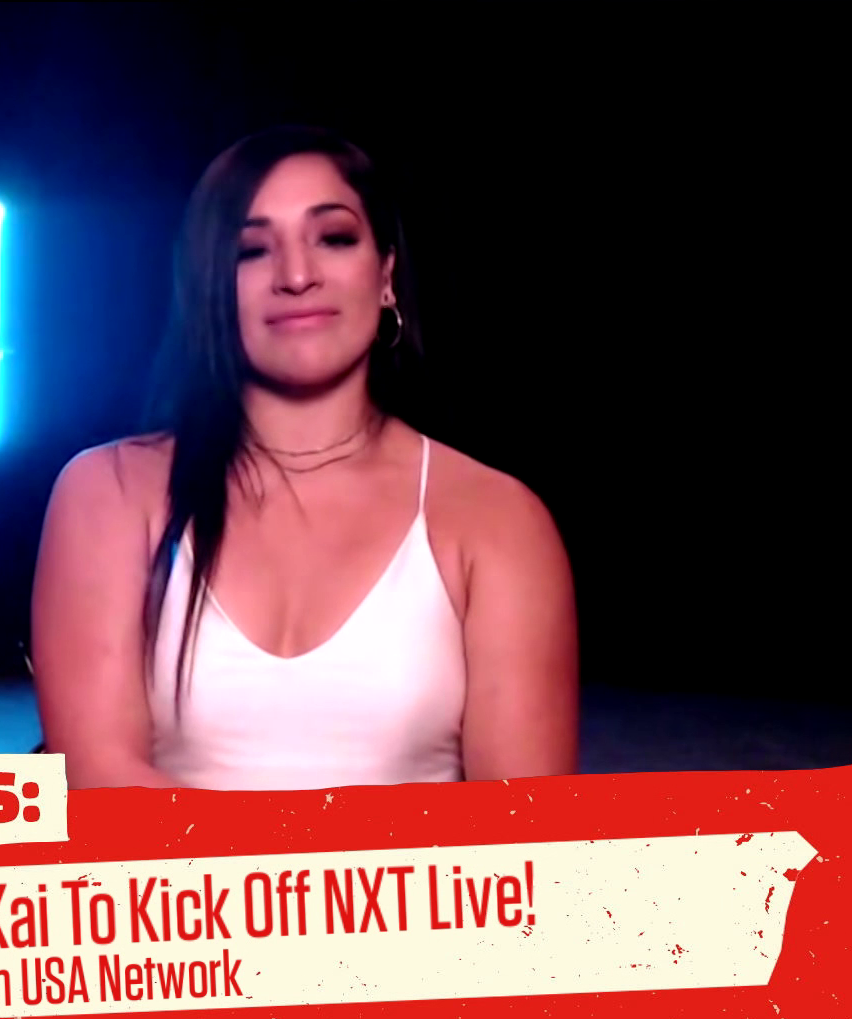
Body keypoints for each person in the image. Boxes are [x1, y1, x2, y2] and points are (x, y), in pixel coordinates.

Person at [31, 127, 577, 791]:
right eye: (252, 250)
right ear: (212, 289)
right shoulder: (109, 494)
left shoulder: (496, 519)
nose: (296, 276)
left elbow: (522, 828)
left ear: (386, 275)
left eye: (334, 238)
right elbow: (99, 784)